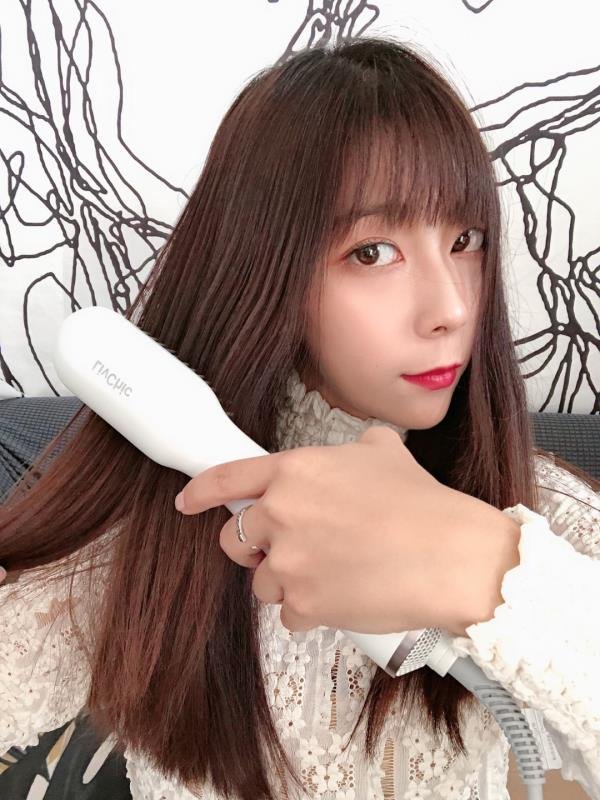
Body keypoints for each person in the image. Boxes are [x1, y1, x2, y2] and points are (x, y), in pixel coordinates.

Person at [0, 34, 599, 800]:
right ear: (263, 268)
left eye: (465, 240)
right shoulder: (148, 544)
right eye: (373, 252)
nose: (451, 307)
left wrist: (488, 571)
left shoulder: (551, 525)